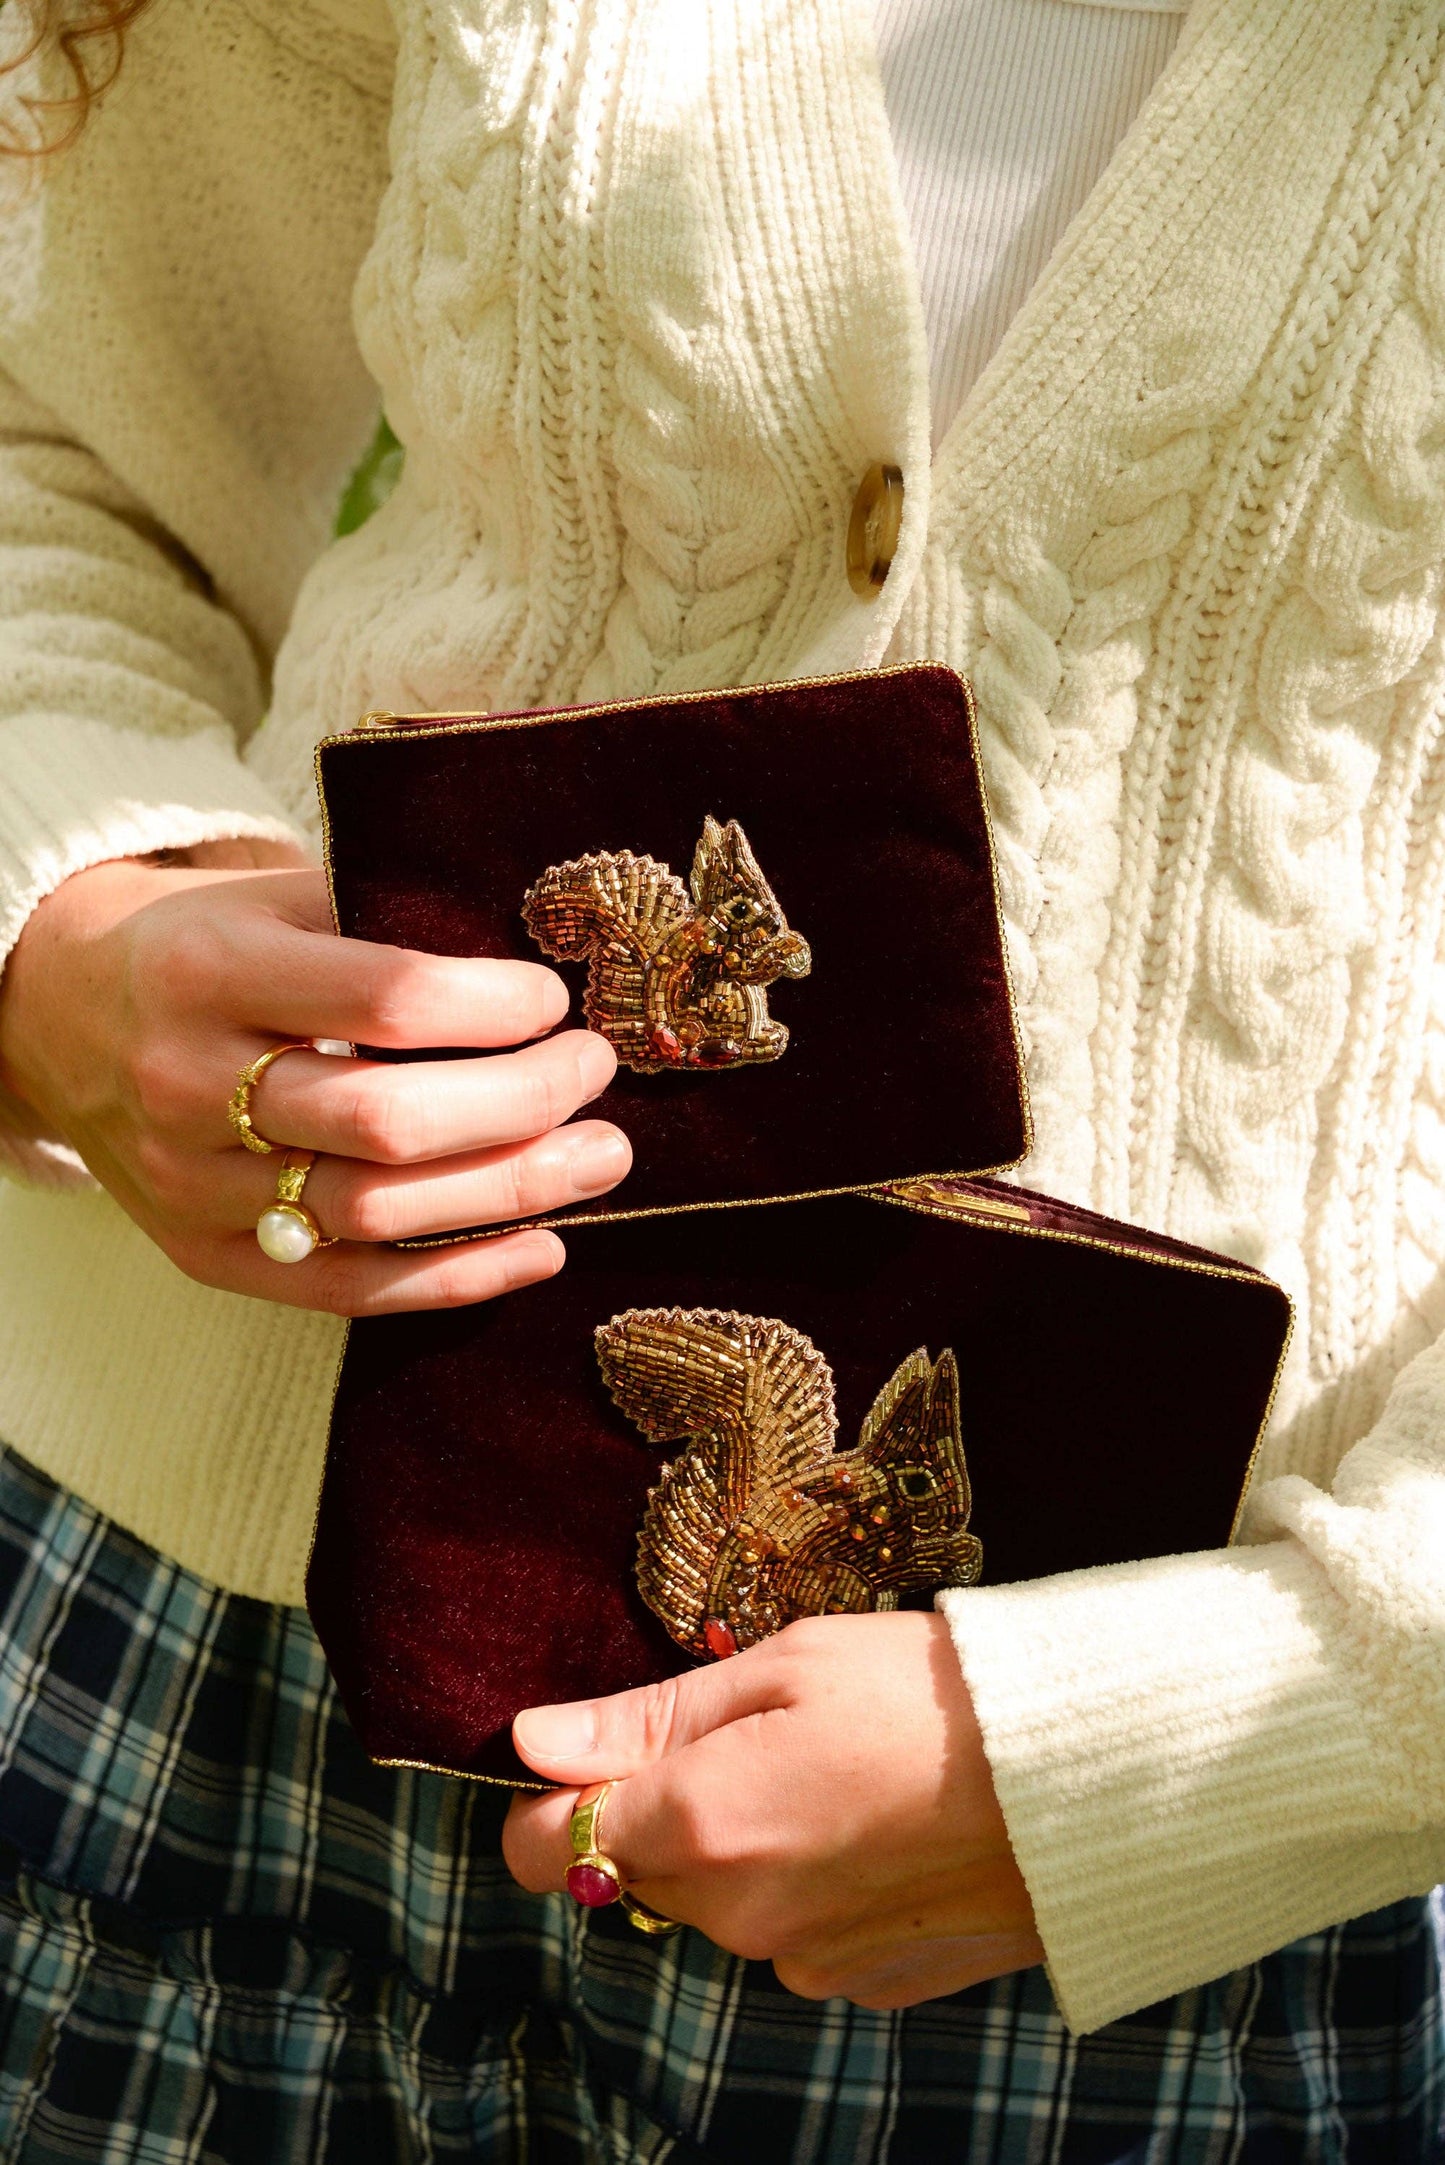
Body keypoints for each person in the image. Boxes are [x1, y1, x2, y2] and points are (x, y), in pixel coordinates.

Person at [0, 0, 1440, 2155]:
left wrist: (1292, 1718)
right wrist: (76, 911)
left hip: (1094, 1861)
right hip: (182, 1658)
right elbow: (54, 432)